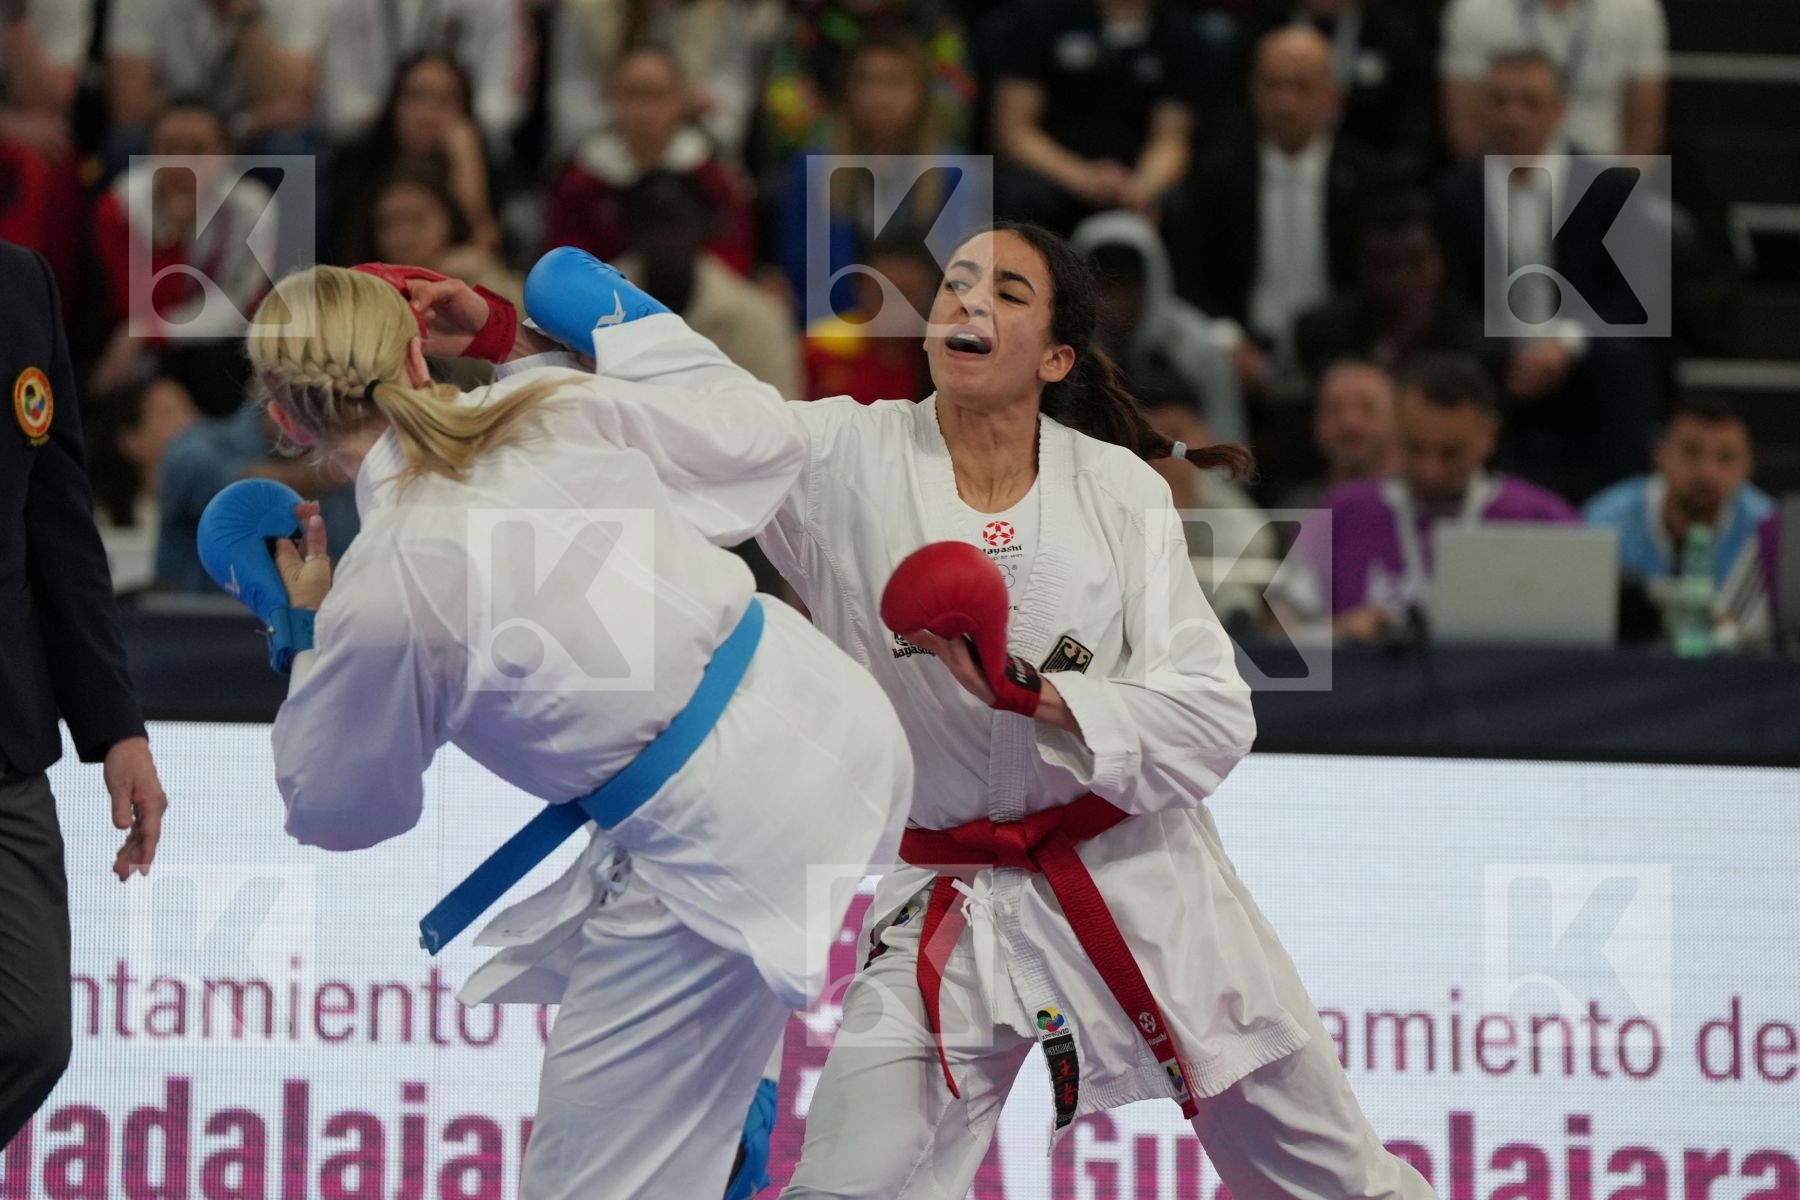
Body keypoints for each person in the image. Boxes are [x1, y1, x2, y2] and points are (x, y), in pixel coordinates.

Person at [515, 231, 1435, 1198]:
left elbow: (1214, 718)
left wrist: (1036, 697)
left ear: (1056, 356)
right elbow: (707, 411)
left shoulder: (1119, 491)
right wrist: (509, 339)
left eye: (1004, 289)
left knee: (1336, 1183)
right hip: (948, 894)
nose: (966, 301)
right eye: (954, 284)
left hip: (1144, 886)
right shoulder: (842, 455)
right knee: (845, 1188)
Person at [224, 260, 911, 1197]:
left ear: (285, 419)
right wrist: (517, 334)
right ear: (418, 353)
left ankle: (716, 1139)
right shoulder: (549, 402)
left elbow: (338, 809)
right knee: (673, 1046)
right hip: (836, 721)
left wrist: (302, 635)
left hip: (725, 844)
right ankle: (726, 1114)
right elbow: (761, 434)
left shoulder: (386, 583)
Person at [0, 239, 169, 1145]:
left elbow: (58, 520)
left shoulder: (21, 283)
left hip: (5, 737)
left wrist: (116, 730)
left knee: (29, 1032)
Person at [1436, 50, 1661, 502]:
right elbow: (1449, 297)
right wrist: (1509, 349)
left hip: (1583, 357)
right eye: (1500, 101)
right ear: (1483, 107)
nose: (1514, 117)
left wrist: (1566, 342)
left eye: (1530, 102)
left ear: (1560, 109)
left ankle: (1622, 510)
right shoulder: (1455, 192)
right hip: (1494, 359)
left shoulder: (1607, 188)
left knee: (1622, 364)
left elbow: (1635, 297)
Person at [1272, 353, 1578, 642]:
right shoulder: (1342, 512)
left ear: (1489, 435)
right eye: (1415, 448)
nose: (1430, 471)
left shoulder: (1542, 519)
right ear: (1396, 428)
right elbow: (1277, 634)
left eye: (1450, 453)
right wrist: (1337, 634)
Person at [1183, 26, 1392, 388]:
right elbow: (1191, 276)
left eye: (1300, 87)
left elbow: (1378, 286)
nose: (1284, 103)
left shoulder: (1369, 181)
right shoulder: (1217, 177)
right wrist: (1228, 339)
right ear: (1252, 91)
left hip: (1341, 352)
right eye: (1272, 85)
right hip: (1240, 350)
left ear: (1332, 97)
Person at [90, 101, 277, 408]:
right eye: (170, 147)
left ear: (224, 154)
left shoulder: (251, 208)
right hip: (131, 337)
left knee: (220, 359)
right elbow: (133, 301)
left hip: (201, 345)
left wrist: (147, 331)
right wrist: (175, 235)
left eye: (198, 150)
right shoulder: (120, 205)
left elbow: (237, 309)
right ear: (151, 151)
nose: (182, 162)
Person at [990, 0, 1205, 233]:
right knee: (1019, 197)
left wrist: (1140, 188)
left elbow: (1171, 137)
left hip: (1137, 180)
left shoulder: (1181, 35)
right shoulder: (1037, 20)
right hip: (1056, 174)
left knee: (1186, 204)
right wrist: (1083, 179)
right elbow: (1014, 130)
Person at [545, 46, 754, 276]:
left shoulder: (710, 173)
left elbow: (734, 251)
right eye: (633, 94)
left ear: (681, 100)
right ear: (613, 99)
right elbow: (566, 260)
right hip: (608, 295)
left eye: (657, 95)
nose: (644, 110)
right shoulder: (584, 181)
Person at [1583, 397, 1774, 626]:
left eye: (1726, 458)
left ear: (1748, 467)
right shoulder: (1603, 521)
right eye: (1691, 452)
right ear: (1660, 454)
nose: (1707, 472)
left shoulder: (1770, 532)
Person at [616, 170, 802, 399]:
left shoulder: (759, 319)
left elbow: (785, 422)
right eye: (652, 224)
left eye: (677, 224)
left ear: (705, 229)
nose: (665, 240)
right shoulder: (591, 310)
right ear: (629, 231)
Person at [1071, 209, 1249, 446]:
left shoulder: (1196, 346)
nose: (1115, 303)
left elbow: (1228, 439)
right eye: (1104, 288)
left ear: (1153, 283)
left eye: (1127, 288)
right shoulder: (1064, 347)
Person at [104, 0, 324, 176]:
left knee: (289, 152)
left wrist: (248, 19)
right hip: (174, 125)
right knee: (127, 145)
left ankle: (293, 234)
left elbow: (291, 102)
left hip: (252, 135)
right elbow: (130, 106)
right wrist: (234, 125)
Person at [328, 52, 501, 265]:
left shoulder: (489, 170)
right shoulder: (356, 169)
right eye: (417, 96)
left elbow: (481, 250)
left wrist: (467, 163)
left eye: (445, 100)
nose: (428, 113)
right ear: (394, 105)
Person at [1439, 0, 1667, 159]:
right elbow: (1465, 122)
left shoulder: (1637, 8)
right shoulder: (1475, 9)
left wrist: (1616, 196)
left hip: (1604, 174)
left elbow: (1644, 123)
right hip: (1507, 176)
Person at [1241, 0, 1437, 182]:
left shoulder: (1395, 37)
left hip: (1365, 181)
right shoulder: (1263, 28)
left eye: (1301, 87)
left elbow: (1414, 140)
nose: (1287, 103)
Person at [1140, 387, 1281, 630]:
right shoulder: (1105, 507)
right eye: (1149, 440)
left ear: (1205, 437)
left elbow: (1236, 607)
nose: (1161, 453)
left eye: (1175, 435)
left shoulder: (1243, 527)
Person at [87, 377, 201, 593]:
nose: (189, 423)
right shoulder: (102, 522)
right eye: (169, 413)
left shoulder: (208, 516)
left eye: (189, 409)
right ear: (131, 441)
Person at [1279, 358, 1401, 511]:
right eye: (1334, 410)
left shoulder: (1426, 505)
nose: (1350, 424)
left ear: (1398, 420)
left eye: (1367, 408)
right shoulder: (1296, 514)